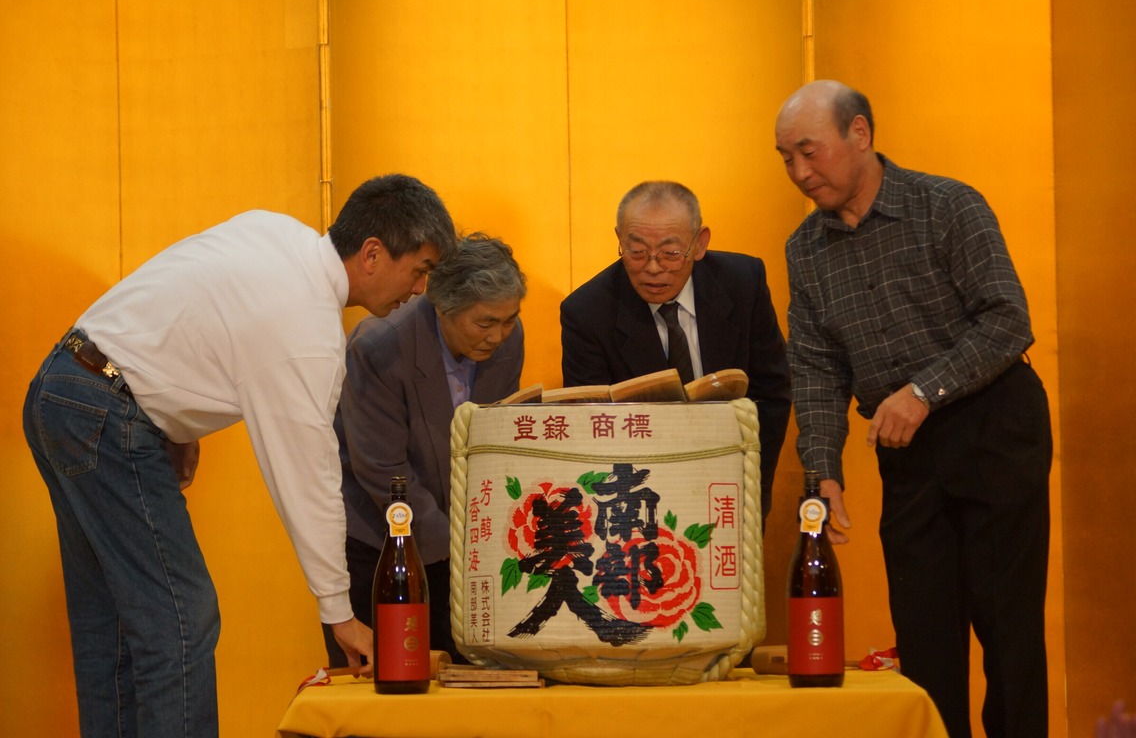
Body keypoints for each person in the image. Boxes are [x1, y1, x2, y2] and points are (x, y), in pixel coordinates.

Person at [22, 174, 458, 738]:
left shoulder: (275, 233)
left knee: (112, 622)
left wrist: (173, 424)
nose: (420, 290)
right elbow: (308, 476)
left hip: (63, 390)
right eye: (420, 269)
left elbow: (188, 309)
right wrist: (340, 614)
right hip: (103, 414)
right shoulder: (307, 329)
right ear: (372, 254)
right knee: (181, 618)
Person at [775, 80, 1052, 738]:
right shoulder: (803, 251)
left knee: (1008, 629)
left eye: (810, 152)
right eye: (785, 158)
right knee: (924, 639)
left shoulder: (946, 206)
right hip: (906, 454)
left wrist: (924, 391)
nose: (799, 172)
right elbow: (815, 368)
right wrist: (822, 470)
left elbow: (1007, 321)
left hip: (994, 427)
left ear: (861, 134)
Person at [321, 232, 526, 667]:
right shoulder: (380, 346)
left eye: (509, 320)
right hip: (381, 542)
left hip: (465, 545)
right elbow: (383, 470)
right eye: (485, 323)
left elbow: (494, 441)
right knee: (395, 690)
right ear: (443, 307)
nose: (499, 335)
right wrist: (464, 550)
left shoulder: (508, 335)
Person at [560, 180, 791, 524]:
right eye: (636, 251)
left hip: (733, 480)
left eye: (670, 253)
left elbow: (772, 392)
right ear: (620, 239)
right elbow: (590, 426)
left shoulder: (743, 282)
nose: (653, 268)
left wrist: (750, 481)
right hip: (638, 500)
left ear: (699, 244)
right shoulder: (588, 312)